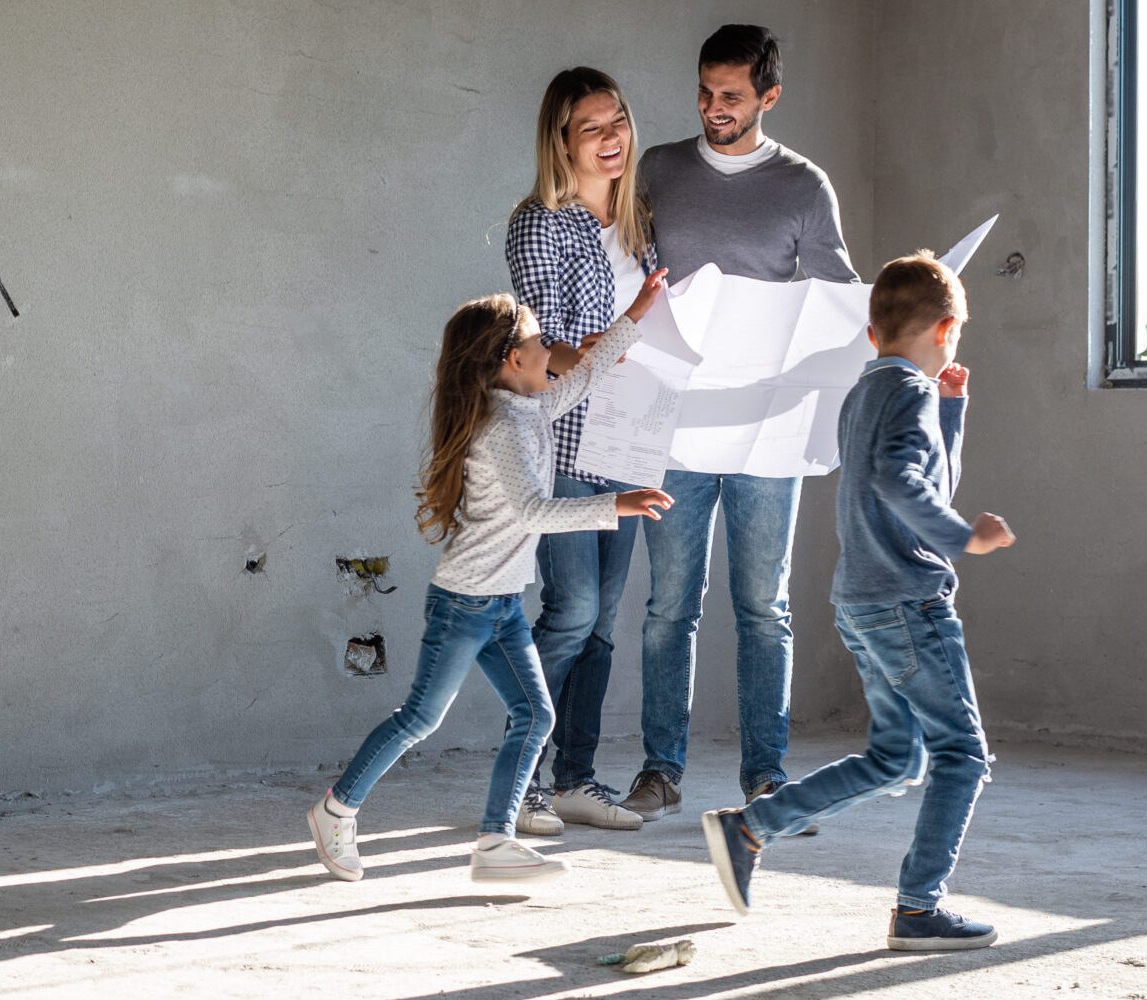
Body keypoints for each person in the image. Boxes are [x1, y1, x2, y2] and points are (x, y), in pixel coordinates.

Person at [308, 280, 674, 884]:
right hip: (465, 602)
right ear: (514, 359)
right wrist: (617, 505)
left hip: (500, 602)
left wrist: (634, 315)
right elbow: (532, 512)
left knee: (534, 715)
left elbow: (582, 379)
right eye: (541, 341)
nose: (551, 351)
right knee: (420, 719)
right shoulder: (501, 426)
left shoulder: (527, 409)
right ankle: (335, 810)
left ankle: (495, 844)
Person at [700, 250, 1015, 951]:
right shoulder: (909, 392)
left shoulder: (871, 388)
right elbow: (903, 482)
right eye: (955, 337)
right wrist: (965, 539)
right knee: (962, 755)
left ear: (873, 335)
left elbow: (922, 472)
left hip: (864, 601)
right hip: (907, 602)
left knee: (896, 759)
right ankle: (917, 909)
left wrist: (954, 410)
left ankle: (751, 828)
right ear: (946, 329)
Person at [619, 23, 860, 823]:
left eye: (731, 96)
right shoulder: (660, 169)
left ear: (769, 97)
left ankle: (766, 775)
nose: (713, 108)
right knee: (668, 607)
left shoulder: (802, 185)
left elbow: (836, 298)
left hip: (766, 429)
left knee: (765, 607)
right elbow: (628, 271)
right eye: (704, 91)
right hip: (675, 424)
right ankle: (661, 770)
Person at [504, 67, 660, 835]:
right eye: (592, 128)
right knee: (571, 611)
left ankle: (576, 779)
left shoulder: (638, 226)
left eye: (619, 122)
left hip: (629, 442)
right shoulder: (541, 222)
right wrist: (619, 341)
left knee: (602, 624)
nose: (612, 139)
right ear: (561, 141)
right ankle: (521, 780)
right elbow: (544, 348)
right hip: (565, 438)